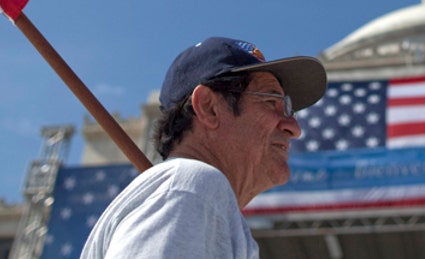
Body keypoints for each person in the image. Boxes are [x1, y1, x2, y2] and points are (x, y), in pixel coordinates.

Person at [80, 36, 327, 259]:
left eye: (288, 109)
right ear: (209, 107)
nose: (294, 127)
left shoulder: (191, 194)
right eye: (272, 101)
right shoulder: (192, 185)